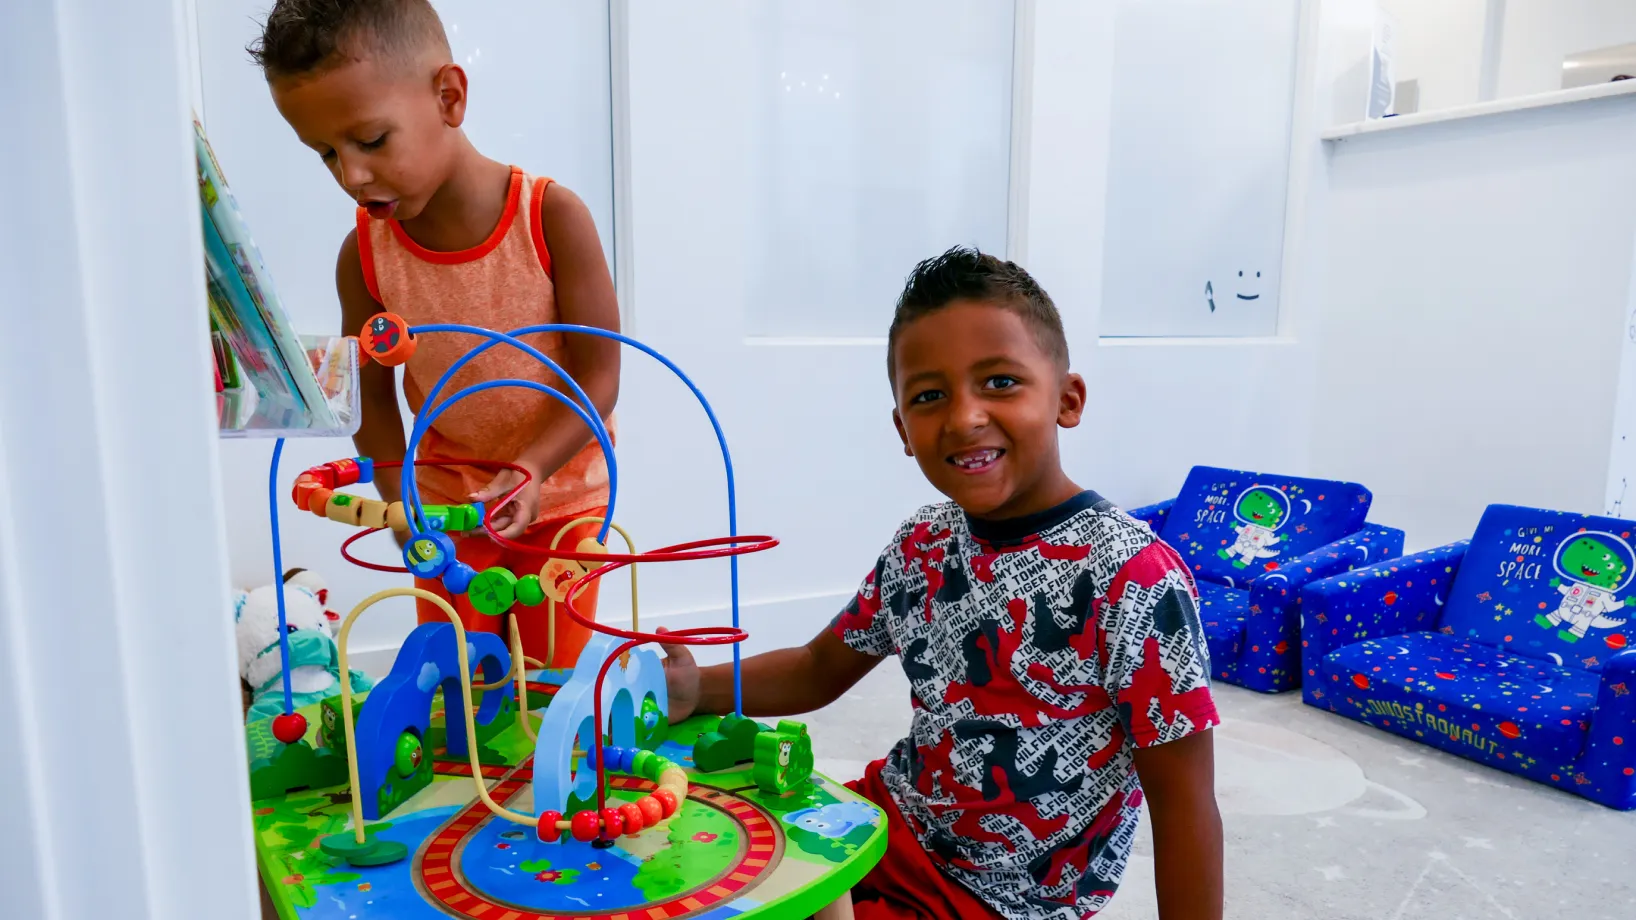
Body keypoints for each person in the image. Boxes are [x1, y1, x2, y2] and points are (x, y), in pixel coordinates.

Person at [662, 247, 1225, 920]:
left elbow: (1185, 802)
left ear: (1067, 399)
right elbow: (817, 667)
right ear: (903, 428)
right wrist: (700, 687)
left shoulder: (1134, 578)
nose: (963, 418)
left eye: (1000, 383)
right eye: (929, 396)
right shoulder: (922, 543)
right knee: (698, 867)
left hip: (1003, 899)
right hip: (886, 824)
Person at [252, 0, 619, 669]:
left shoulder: (552, 218)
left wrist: (531, 468)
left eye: (370, 140)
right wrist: (402, 504)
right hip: (447, 502)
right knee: (460, 677)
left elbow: (600, 377)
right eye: (326, 154)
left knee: (547, 678)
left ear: (448, 97)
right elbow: (371, 393)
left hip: (563, 496)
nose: (351, 176)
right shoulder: (363, 254)